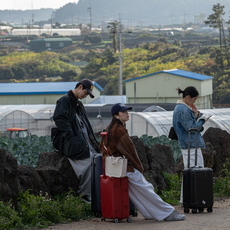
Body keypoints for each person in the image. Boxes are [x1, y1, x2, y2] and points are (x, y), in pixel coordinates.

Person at [101, 103, 185, 221]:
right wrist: (138, 167)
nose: (127, 113)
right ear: (116, 115)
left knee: (136, 192)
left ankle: (149, 213)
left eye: (127, 111)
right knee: (146, 189)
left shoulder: (110, 128)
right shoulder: (119, 130)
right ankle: (168, 212)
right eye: (123, 112)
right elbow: (130, 151)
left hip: (114, 168)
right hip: (125, 167)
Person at [53, 79, 100, 203]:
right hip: (72, 143)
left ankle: (93, 194)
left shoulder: (77, 103)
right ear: (80, 87)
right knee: (90, 163)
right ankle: (85, 195)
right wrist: (72, 138)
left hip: (82, 142)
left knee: (98, 160)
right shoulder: (65, 100)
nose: (85, 96)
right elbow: (60, 120)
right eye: (85, 92)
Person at [172, 86, 209, 203]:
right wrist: (202, 119)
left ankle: (187, 198)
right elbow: (191, 127)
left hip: (187, 144)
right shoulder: (183, 109)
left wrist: (196, 114)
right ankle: (195, 197)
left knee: (189, 172)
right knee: (196, 171)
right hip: (190, 144)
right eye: (194, 99)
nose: (194, 102)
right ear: (188, 97)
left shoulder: (181, 108)